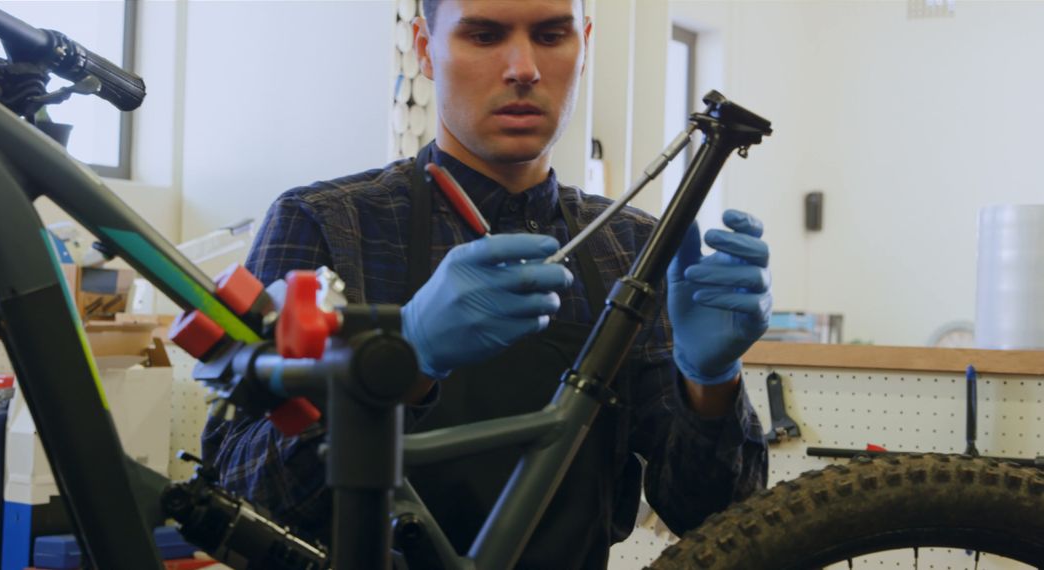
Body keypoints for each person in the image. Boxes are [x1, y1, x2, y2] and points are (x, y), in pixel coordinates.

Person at [202, 0, 771, 567]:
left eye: (551, 36)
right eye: (484, 35)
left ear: (584, 46)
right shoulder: (327, 223)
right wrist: (404, 362)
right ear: (426, 49)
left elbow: (719, 519)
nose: (523, 67)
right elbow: (242, 494)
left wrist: (711, 384)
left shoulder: (632, 247)